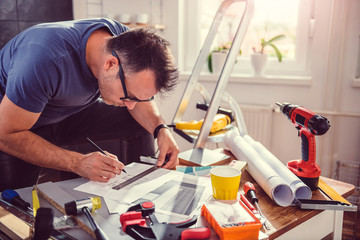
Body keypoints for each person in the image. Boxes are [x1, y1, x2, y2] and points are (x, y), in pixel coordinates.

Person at [0, 18, 180, 191]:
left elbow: (138, 97)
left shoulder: (126, 44)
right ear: (111, 64)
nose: (131, 105)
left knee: (139, 122)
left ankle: (135, 190)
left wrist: (160, 129)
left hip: (65, 112)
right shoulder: (43, 59)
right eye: (128, 96)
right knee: (17, 205)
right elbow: (5, 134)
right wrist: (77, 162)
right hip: (16, 125)